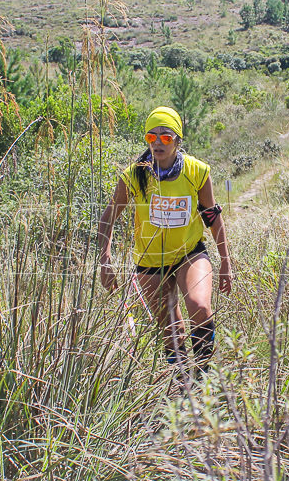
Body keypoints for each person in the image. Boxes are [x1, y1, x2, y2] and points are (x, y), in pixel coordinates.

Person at [97, 106, 232, 374]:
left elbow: (213, 217)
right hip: (150, 262)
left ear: (178, 140)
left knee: (200, 307)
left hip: (189, 253)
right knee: (172, 328)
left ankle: (204, 378)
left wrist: (226, 262)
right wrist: (105, 260)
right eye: (151, 136)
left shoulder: (196, 171)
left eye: (166, 137)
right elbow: (107, 217)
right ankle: (181, 385)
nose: (158, 142)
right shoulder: (134, 175)